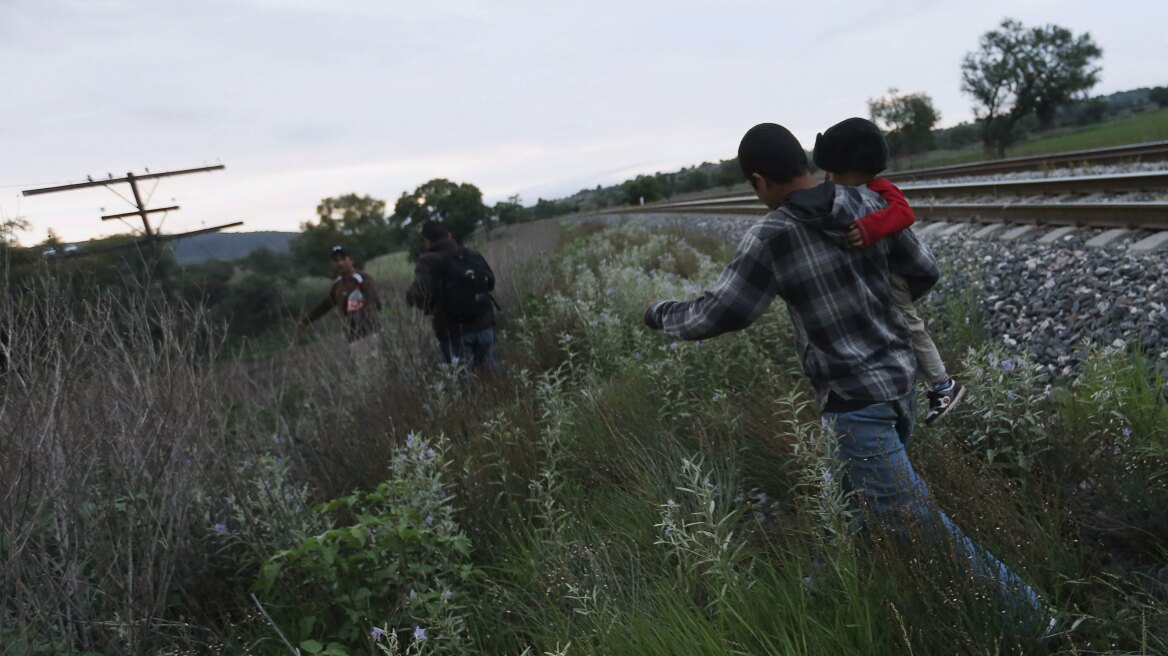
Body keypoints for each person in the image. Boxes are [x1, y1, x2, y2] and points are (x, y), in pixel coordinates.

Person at [643, 122, 1043, 626]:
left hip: (856, 404)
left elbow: (719, 313)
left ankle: (1037, 620)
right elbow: (925, 269)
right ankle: (820, 604)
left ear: (759, 181)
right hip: (900, 386)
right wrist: (873, 306)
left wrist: (659, 313)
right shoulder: (866, 204)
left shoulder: (772, 235)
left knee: (914, 524)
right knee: (851, 509)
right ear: (804, 165)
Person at [812, 117, 965, 424]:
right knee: (902, 328)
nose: (827, 177)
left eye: (832, 170)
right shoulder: (849, 192)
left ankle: (943, 384)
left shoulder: (880, 190)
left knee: (910, 325)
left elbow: (904, 213)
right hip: (879, 274)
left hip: (893, 275)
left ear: (852, 168)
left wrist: (869, 228)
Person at [406, 221, 499, 373]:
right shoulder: (472, 254)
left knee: (463, 381)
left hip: (453, 330)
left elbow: (418, 293)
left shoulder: (428, 260)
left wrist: (421, 304)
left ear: (427, 240)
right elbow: (491, 282)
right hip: (484, 324)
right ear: (449, 235)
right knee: (489, 369)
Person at [298, 245, 382, 342]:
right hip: (352, 335)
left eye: (343, 259)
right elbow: (325, 305)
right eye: (336, 260)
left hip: (370, 331)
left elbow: (376, 302)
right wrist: (306, 321)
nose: (340, 263)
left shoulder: (363, 279)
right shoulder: (337, 285)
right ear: (332, 264)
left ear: (351, 260)